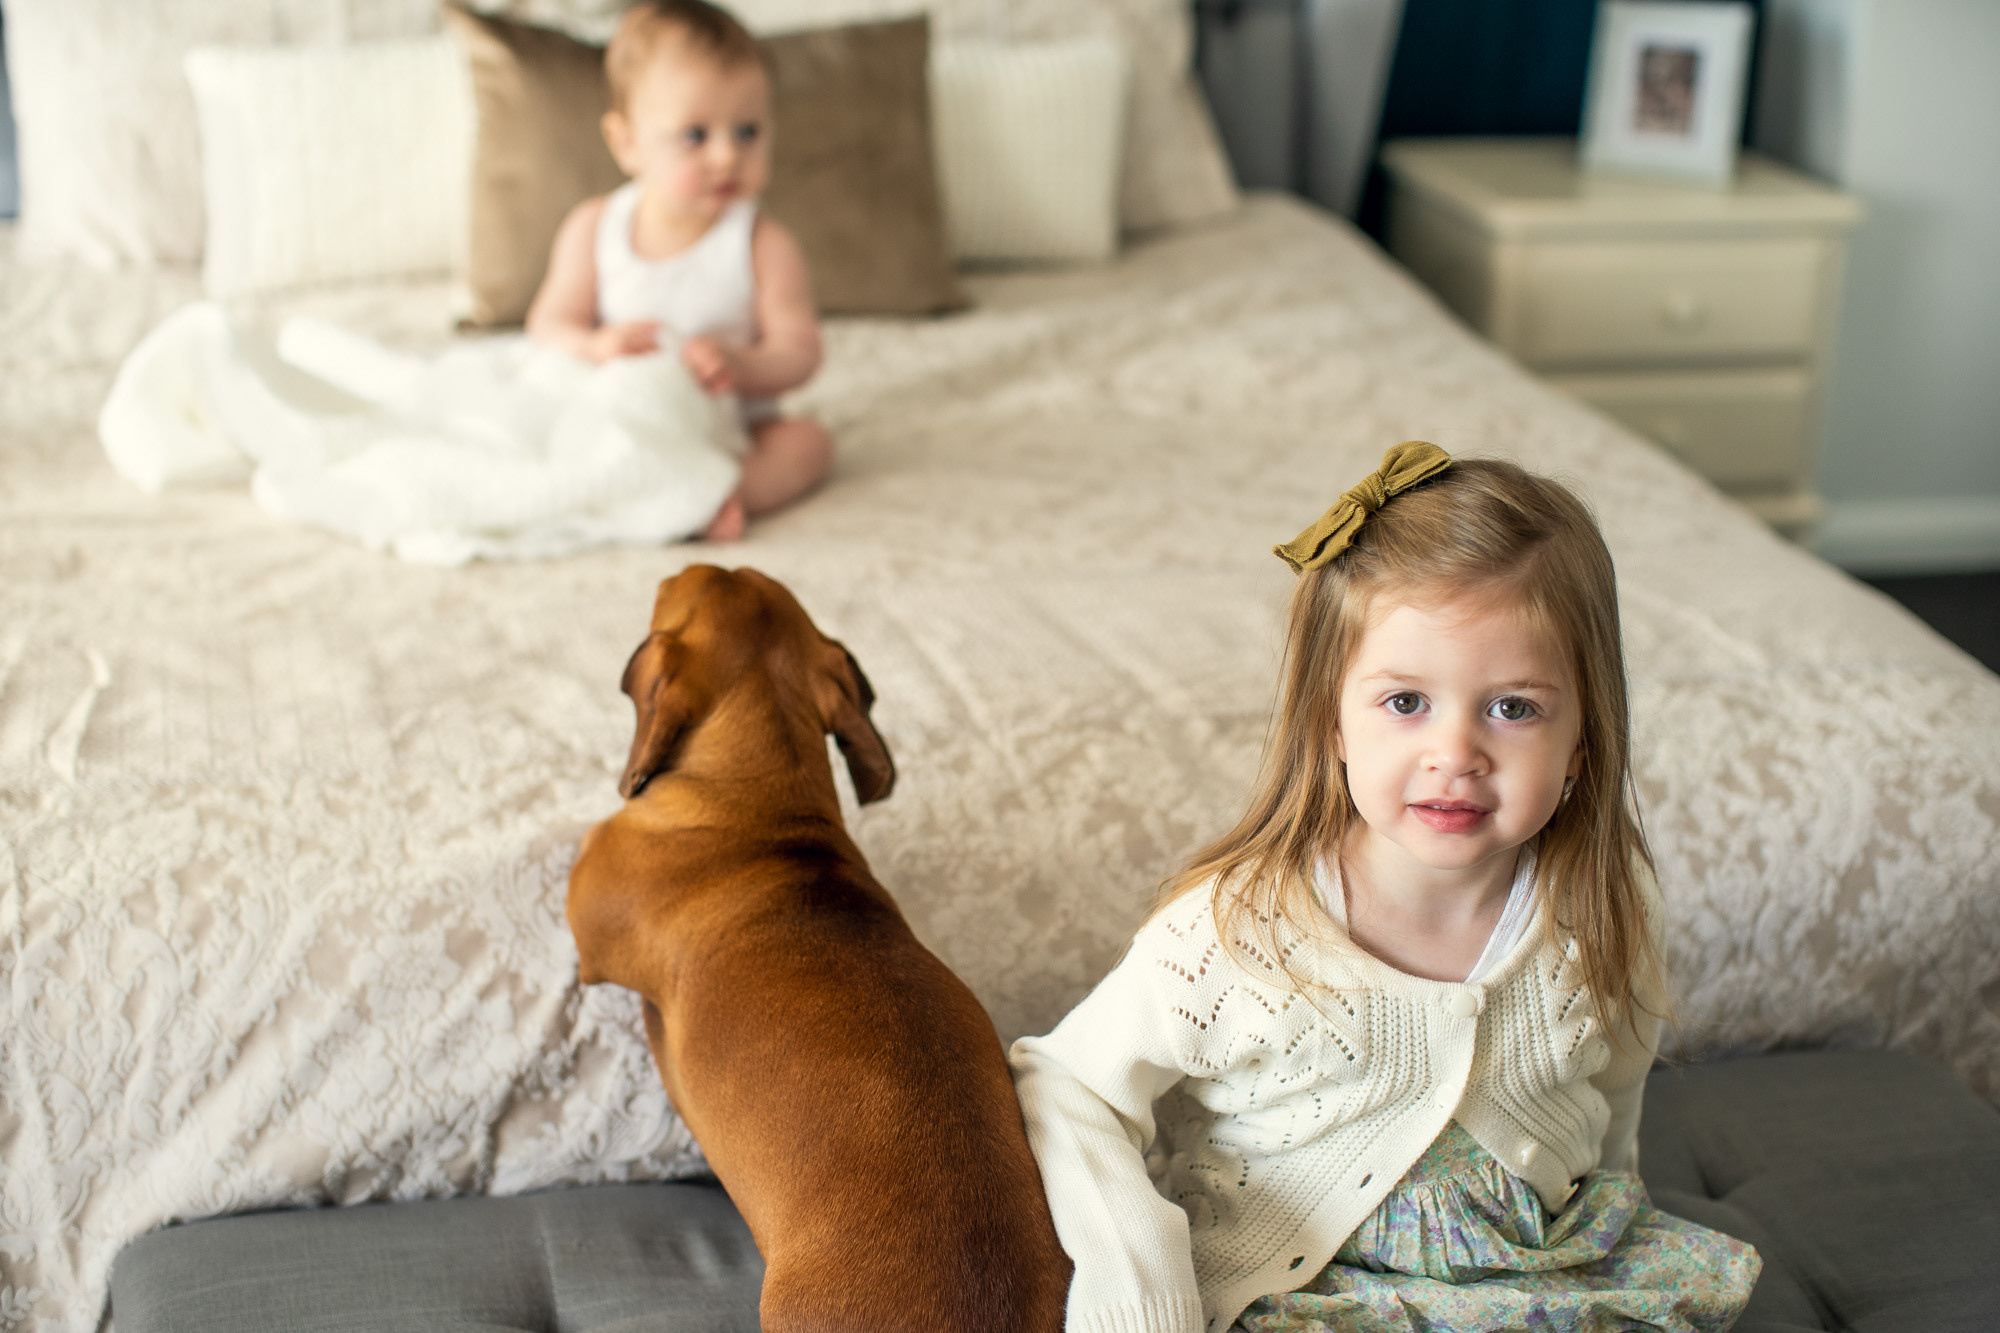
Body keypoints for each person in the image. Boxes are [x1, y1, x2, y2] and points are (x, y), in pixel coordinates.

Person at [1009, 442, 1761, 1333]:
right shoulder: (1239, 930)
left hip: (1538, 1278)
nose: (1456, 754)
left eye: (1513, 707)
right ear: (1331, 720)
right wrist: (1140, 1282)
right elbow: (1069, 1084)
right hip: (1302, 1289)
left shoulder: (1603, 901)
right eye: (1406, 702)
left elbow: (1615, 1093)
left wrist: (1610, 1210)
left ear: (1584, 741)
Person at [526, 0, 832, 542]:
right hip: (632, 417)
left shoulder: (763, 244)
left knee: (808, 443)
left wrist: (741, 364)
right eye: (695, 135)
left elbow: (800, 353)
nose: (725, 156)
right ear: (627, 144)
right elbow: (548, 326)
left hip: (730, 427)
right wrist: (596, 346)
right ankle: (624, 487)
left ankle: (723, 491)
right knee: (547, 424)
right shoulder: (595, 227)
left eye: (747, 132)